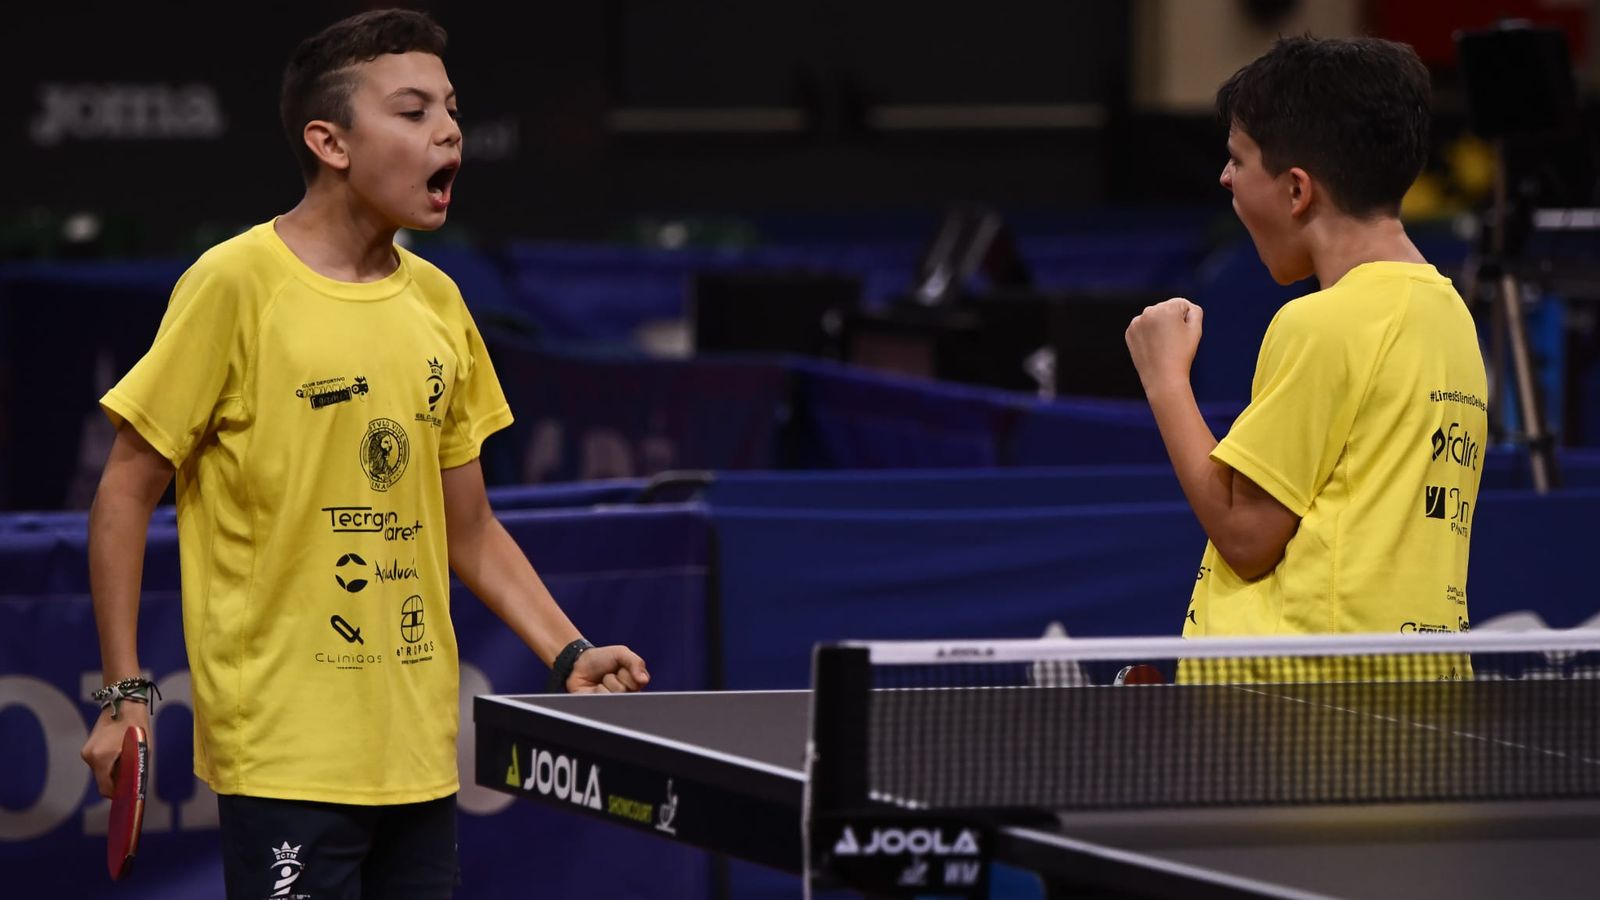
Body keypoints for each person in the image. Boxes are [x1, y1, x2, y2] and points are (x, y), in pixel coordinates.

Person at [78, 9, 649, 898]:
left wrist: (566, 649)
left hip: (416, 749)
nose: (449, 131)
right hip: (285, 752)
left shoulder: (441, 304)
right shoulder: (235, 285)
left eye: (452, 111)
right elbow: (124, 491)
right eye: (414, 112)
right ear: (330, 142)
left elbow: (470, 527)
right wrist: (124, 694)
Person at [1125, 36, 1488, 644]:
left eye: (1238, 160)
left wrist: (1164, 380)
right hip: (1414, 677)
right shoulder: (1452, 315)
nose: (1224, 178)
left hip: (1300, 690)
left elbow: (1246, 537)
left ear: (1297, 190)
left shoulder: (1321, 322)